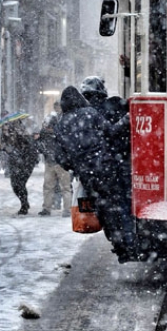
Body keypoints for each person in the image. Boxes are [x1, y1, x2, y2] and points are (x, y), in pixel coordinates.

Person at [55, 85, 136, 263]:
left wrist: (77, 164)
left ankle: (117, 242)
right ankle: (128, 244)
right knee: (120, 203)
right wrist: (127, 119)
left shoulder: (61, 124)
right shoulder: (90, 114)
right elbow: (111, 132)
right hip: (106, 168)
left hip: (87, 175)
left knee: (103, 207)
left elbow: (61, 158)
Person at [79, 76, 134, 258]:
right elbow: (112, 132)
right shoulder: (112, 107)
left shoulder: (84, 115)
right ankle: (127, 242)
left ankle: (121, 244)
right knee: (124, 205)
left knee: (107, 210)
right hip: (117, 165)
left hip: (99, 170)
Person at [34, 113, 71, 217]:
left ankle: (66, 210)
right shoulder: (48, 134)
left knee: (64, 188)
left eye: (48, 125)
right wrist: (37, 140)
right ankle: (47, 208)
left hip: (59, 164)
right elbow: (39, 149)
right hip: (53, 163)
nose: (47, 127)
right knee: (50, 187)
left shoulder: (58, 133)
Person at [1, 118, 38, 215]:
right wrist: (6, 148)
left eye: (7, 128)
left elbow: (30, 148)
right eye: (4, 129)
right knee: (14, 186)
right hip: (14, 163)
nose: (5, 131)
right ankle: (25, 202)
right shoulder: (5, 137)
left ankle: (24, 206)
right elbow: (5, 148)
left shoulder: (23, 134)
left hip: (26, 162)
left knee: (21, 184)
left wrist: (23, 158)